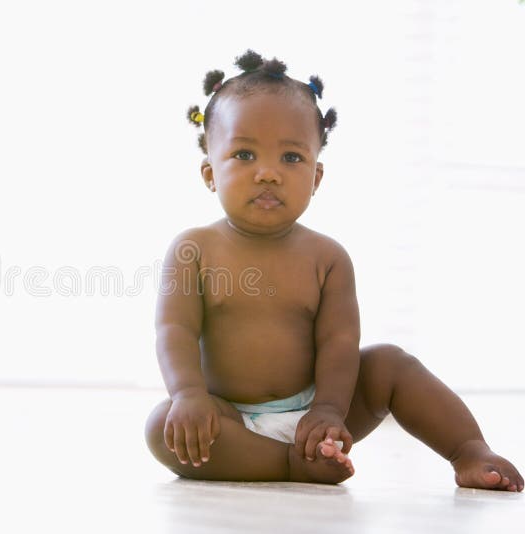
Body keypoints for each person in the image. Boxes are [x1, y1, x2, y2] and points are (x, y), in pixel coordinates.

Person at [144, 50, 523, 491]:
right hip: (229, 416)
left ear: (317, 177)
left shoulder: (327, 257)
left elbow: (339, 341)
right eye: (245, 154)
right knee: (162, 428)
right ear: (210, 173)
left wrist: (328, 409)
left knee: (390, 364)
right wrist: (190, 396)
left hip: (320, 415)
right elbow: (174, 330)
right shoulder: (194, 249)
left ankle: (468, 451)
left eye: (291, 158)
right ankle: (288, 464)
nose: (268, 173)